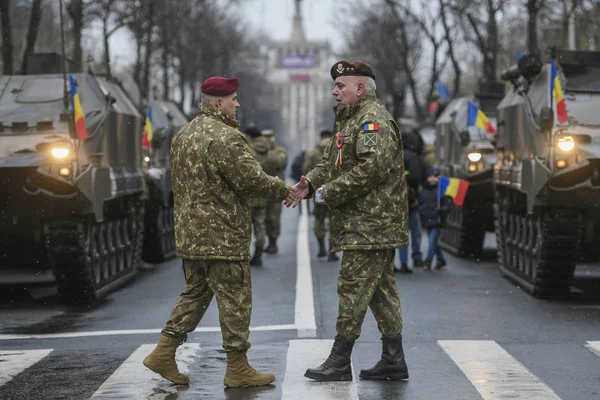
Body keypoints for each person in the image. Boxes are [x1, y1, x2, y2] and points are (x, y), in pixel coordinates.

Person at [143, 76, 295, 388]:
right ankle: (237, 367)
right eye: (233, 99)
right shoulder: (226, 137)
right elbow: (250, 180)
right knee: (235, 300)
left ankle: (164, 351)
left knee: (195, 294)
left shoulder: (183, 135)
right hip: (222, 235)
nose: (237, 104)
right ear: (218, 103)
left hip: (190, 234)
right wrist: (286, 191)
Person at [288, 60, 410, 382]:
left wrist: (329, 192)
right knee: (382, 293)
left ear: (360, 88)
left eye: (340, 86)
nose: (334, 92)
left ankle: (340, 360)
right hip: (366, 224)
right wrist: (310, 184)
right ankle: (393, 359)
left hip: (371, 224)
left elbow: (371, 169)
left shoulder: (373, 121)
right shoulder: (351, 121)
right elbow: (333, 164)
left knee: (352, 289)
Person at [302, 129, 339, 260]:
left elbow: (306, 170)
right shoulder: (338, 150)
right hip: (334, 192)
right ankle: (332, 251)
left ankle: (321, 247)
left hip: (318, 193)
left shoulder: (313, 153)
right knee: (333, 221)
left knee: (319, 220)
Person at [245, 125, 269, 266]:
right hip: (262, 192)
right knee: (260, 225)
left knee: (245, 227)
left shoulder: (248, 149)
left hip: (249, 194)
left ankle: (244, 255)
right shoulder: (266, 149)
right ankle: (259, 253)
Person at [419, 168, 452, 270]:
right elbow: (421, 203)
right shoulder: (423, 191)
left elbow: (448, 205)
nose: (432, 179)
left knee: (432, 241)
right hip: (427, 219)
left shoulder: (441, 191)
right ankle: (441, 260)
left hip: (437, 220)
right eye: (430, 177)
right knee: (433, 243)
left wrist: (441, 210)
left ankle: (428, 261)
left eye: (435, 177)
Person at [261, 129, 288, 254]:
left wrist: (266, 153)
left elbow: (279, 163)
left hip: (276, 190)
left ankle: (273, 242)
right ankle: (264, 242)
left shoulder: (279, 151)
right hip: (263, 190)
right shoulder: (259, 151)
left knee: (274, 217)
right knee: (262, 218)